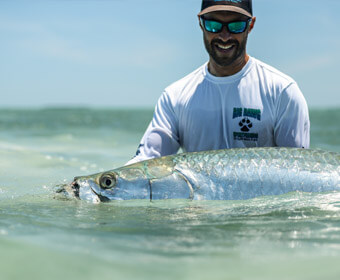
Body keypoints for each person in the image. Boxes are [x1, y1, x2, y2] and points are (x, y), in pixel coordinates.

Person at [127, 0, 310, 165]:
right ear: (201, 23)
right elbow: (147, 162)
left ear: (251, 25)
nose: (224, 36)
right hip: (200, 204)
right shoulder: (174, 97)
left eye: (236, 26)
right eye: (213, 25)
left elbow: (299, 171)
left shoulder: (283, 92)